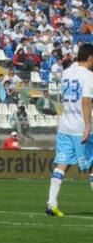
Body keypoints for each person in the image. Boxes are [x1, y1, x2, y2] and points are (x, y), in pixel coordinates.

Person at [45, 43, 93, 217]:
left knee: (62, 165)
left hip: (65, 125)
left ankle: (52, 203)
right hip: (81, 126)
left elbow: (74, 65)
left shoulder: (67, 73)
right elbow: (86, 101)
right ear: (90, 58)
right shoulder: (89, 76)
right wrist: (88, 126)